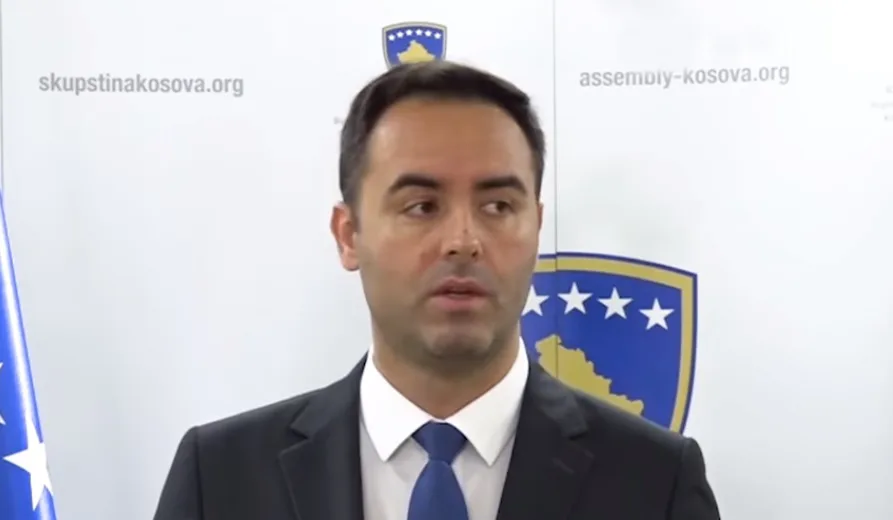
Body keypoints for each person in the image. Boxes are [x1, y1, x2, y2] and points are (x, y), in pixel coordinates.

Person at [152, 60, 721, 520]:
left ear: (537, 228)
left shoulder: (655, 483)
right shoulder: (221, 478)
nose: (463, 241)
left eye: (498, 206)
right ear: (348, 235)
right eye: (422, 206)